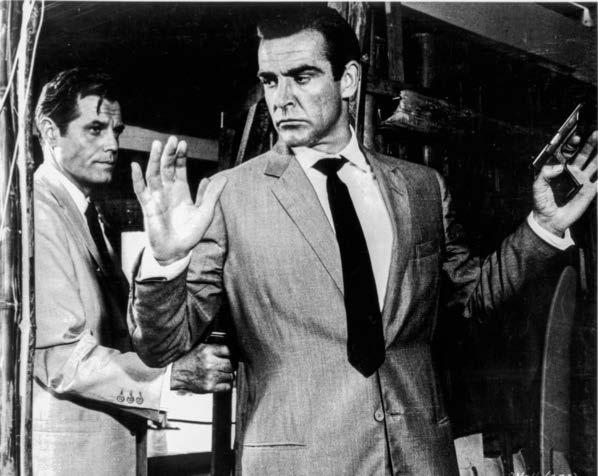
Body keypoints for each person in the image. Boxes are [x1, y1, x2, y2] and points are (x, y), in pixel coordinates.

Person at [129, 6, 597, 475]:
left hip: (419, 460)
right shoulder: (228, 195)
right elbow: (162, 347)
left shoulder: (421, 188)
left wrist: (543, 226)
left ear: (348, 80)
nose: (282, 99)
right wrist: (165, 261)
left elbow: (472, 296)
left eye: (302, 77)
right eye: (270, 81)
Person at [33, 68, 233, 476]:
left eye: (116, 131)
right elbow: (59, 358)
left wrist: (166, 256)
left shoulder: (89, 215)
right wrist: (170, 376)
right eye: (95, 129)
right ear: (51, 132)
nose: (112, 144)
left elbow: (124, 330)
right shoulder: (38, 211)